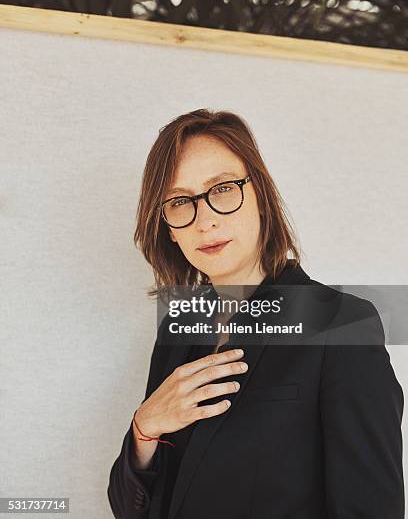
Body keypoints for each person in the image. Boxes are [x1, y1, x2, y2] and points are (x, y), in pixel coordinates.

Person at [107, 109, 404, 519]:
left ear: (261, 197)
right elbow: (129, 509)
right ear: (168, 228)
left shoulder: (341, 323)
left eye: (223, 189)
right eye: (179, 202)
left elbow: (372, 508)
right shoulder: (180, 326)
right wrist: (145, 427)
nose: (204, 220)